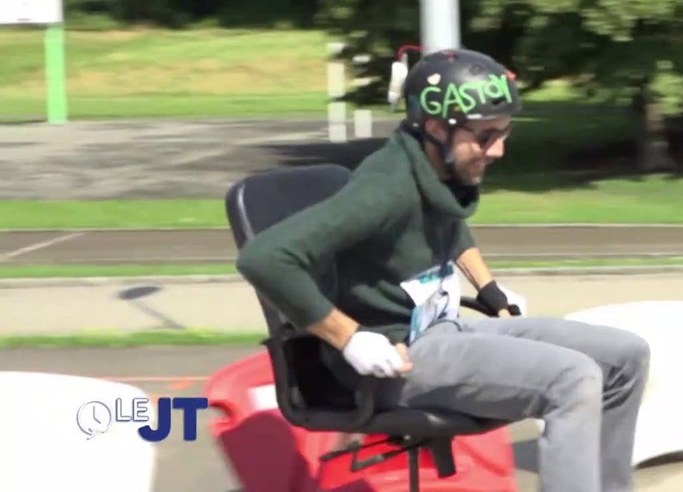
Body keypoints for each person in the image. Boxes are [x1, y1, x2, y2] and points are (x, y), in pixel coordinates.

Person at [236, 48, 651, 492]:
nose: (499, 149)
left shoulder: (434, 171)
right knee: (573, 378)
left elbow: (450, 221)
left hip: (444, 330)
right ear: (436, 127)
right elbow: (264, 258)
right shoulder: (385, 188)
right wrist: (349, 337)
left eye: (505, 133)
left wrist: (490, 290)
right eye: (486, 136)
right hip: (397, 359)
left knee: (626, 356)